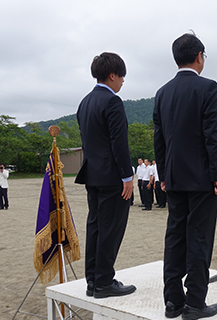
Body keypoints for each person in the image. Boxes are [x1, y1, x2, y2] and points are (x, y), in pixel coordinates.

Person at [153, 33, 217, 319]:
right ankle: (195, 301)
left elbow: (159, 139)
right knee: (199, 238)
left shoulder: (162, 92)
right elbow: (212, 136)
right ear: (199, 57)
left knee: (174, 236)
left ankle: (173, 301)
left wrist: (163, 174)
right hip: (202, 177)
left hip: (173, 176)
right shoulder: (207, 87)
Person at [75, 52, 136, 298]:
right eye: (121, 77)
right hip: (112, 177)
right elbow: (119, 143)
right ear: (112, 75)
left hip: (93, 174)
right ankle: (104, 282)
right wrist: (127, 177)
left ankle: (93, 280)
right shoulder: (112, 102)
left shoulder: (85, 102)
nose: (122, 82)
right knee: (111, 229)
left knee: (96, 227)